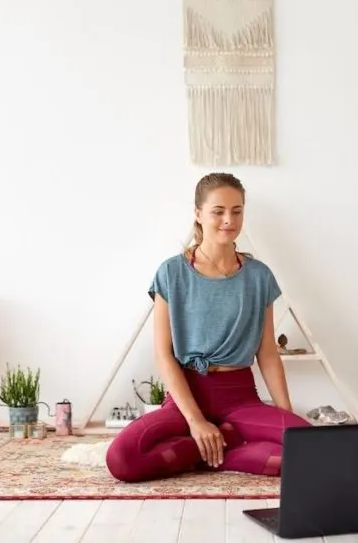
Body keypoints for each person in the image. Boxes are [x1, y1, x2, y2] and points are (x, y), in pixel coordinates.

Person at [105, 172, 312, 482]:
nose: (229, 219)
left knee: (311, 451)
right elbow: (164, 355)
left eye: (237, 210)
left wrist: (289, 419)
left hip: (240, 398)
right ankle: (206, 443)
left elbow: (267, 353)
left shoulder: (259, 276)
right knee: (121, 460)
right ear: (198, 214)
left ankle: (219, 452)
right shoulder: (171, 272)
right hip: (186, 397)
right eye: (218, 211)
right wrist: (195, 420)